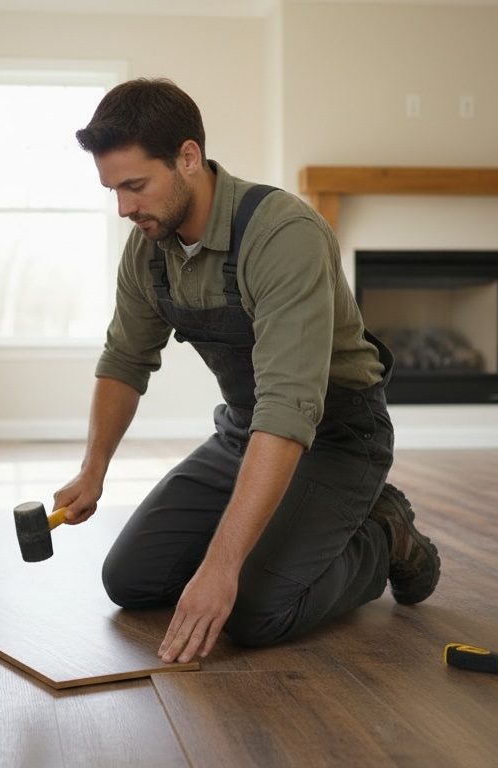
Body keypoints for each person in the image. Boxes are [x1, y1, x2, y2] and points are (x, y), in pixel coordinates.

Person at [53, 78, 440, 666]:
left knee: (254, 611)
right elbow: (125, 361)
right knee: (128, 581)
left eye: (135, 186)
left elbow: (289, 406)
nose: (124, 209)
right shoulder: (148, 250)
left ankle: (383, 534)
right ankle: (276, 539)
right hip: (244, 433)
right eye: (113, 190)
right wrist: (93, 469)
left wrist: (223, 566)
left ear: (188, 158)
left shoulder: (282, 234)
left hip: (337, 438)